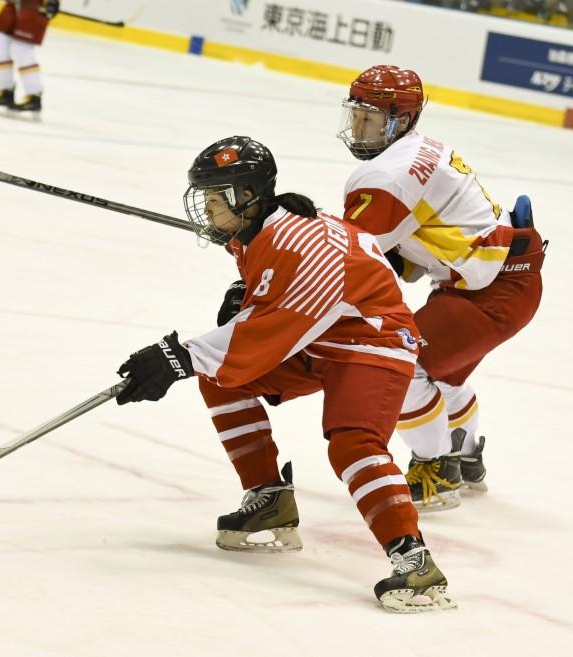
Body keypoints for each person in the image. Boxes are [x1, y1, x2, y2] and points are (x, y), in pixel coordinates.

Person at [115, 136, 455, 613]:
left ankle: (415, 562)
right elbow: (273, 307)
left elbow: (271, 331)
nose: (207, 210)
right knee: (220, 377)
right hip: (323, 338)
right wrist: (245, 291)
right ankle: (270, 498)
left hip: (373, 343)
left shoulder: (301, 245)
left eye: (215, 200)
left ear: (248, 197)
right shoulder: (263, 231)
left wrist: (176, 357)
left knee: (353, 442)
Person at [336, 65, 546, 512]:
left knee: (399, 363)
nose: (357, 127)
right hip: (502, 282)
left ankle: (437, 469)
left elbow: (345, 257)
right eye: (356, 115)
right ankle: (467, 461)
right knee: (442, 374)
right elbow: (414, 235)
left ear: (403, 120)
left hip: (490, 294)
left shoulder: (386, 177)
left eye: (370, 119)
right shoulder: (422, 147)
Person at [0, 0, 60, 113]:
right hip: (13, 3)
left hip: (35, 4)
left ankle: (34, 96)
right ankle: (6, 91)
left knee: (21, 49)